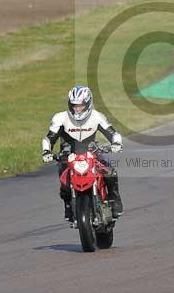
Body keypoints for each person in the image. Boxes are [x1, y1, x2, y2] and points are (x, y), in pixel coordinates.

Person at [42, 85, 123, 221]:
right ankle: (68, 206)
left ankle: (115, 199)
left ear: (88, 103)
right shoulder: (60, 118)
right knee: (64, 179)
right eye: (74, 105)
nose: (77, 109)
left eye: (80, 105)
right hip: (68, 155)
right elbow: (49, 138)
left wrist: (116, 144)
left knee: (109, 172)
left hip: (92, 152)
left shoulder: (97, 116)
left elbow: (113, 133)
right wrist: (46, 152)